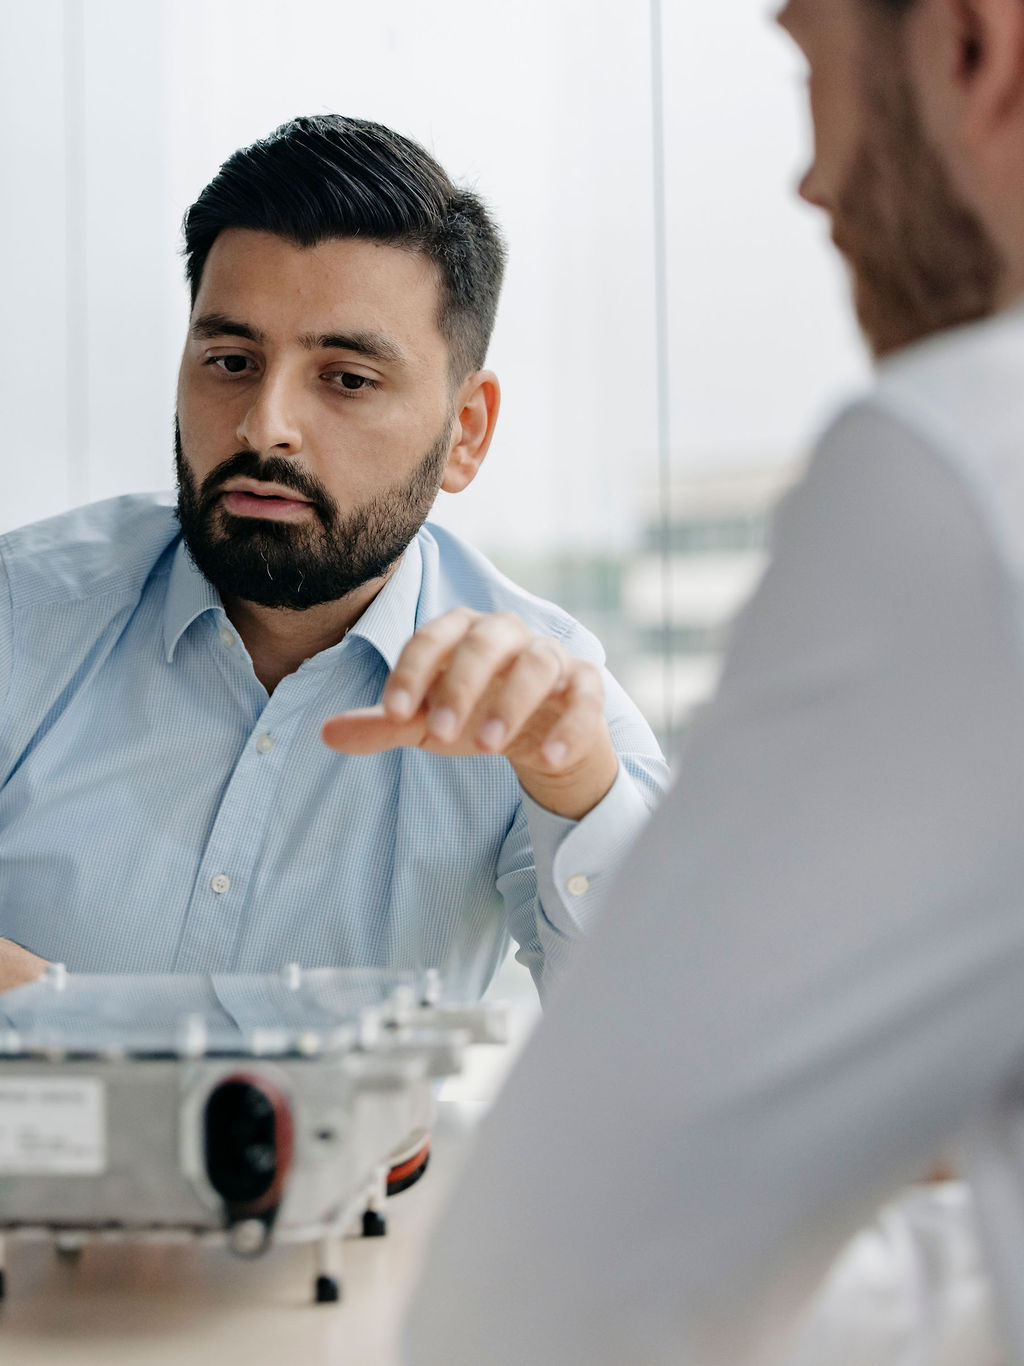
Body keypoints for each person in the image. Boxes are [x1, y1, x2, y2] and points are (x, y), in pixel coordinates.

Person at [0, 115, 670, 1100]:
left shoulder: (537, 694)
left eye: (345, 379)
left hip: (326, 1272)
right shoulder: (14, 614)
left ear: (467, 430)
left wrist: (576, 790)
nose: (264, 426)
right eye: (229, 361)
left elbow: (675, 1051)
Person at [403, 0, 1024, 1361]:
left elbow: (538, 1302)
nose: (813, 179)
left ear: (974, 52)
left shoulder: (964, 468)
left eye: (816, 68)